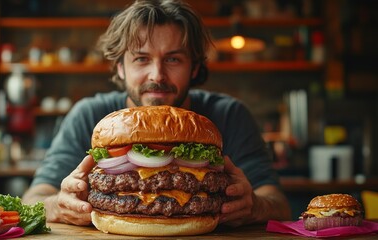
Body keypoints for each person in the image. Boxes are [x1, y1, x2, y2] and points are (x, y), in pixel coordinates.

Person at [22, 0, 291, 227]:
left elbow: (278, 205)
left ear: (195, 67)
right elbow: (33, 199)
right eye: (141, 58)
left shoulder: (229, 114)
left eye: (173, 59)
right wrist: (56, 206)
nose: (157, 75)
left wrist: (255, 206)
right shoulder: (90, 115)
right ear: (119, 67)